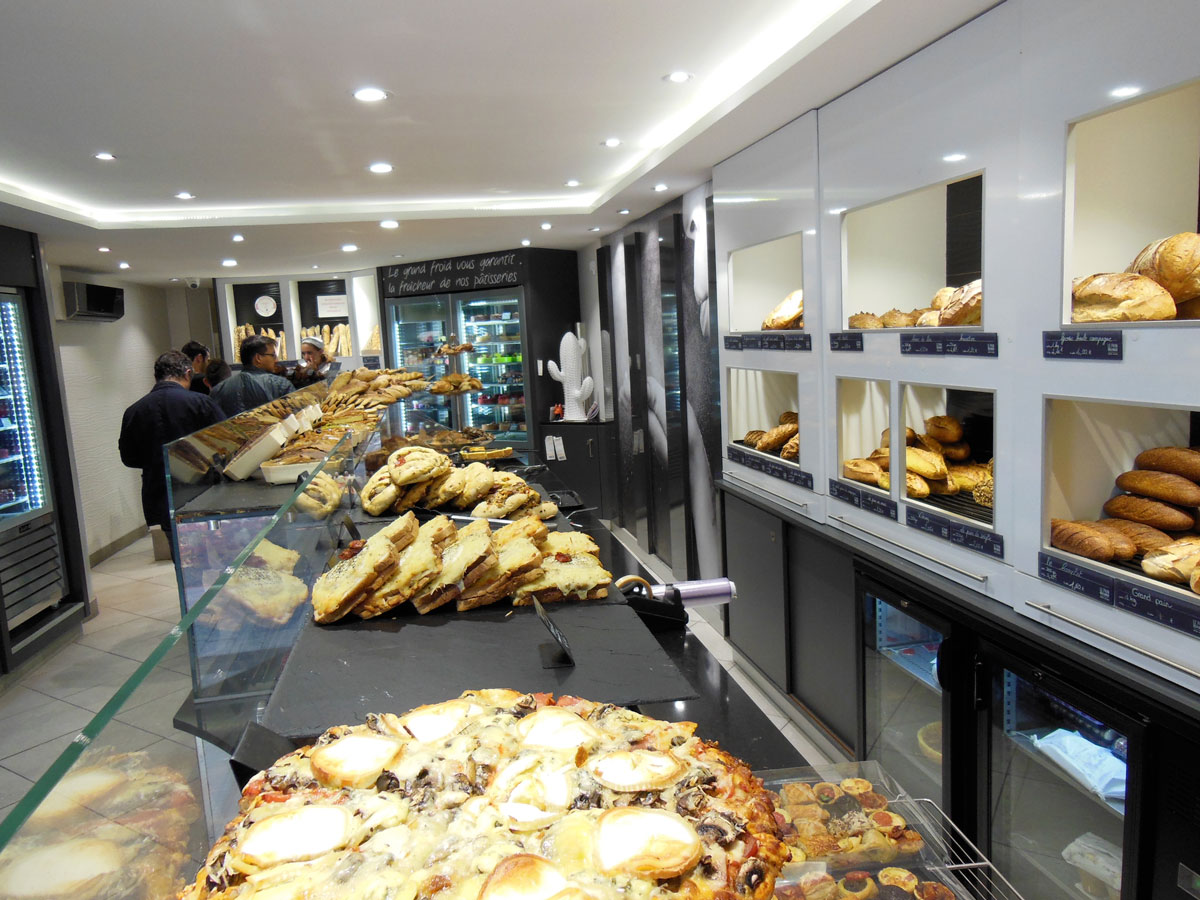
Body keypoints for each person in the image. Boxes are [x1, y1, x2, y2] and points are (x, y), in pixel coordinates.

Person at [119, 351, 224, 551]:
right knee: (214, 551)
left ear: (156, 376)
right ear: (188, 373)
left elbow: (129, 458)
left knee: (180, 554)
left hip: (159, 494)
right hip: (202, 490)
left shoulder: (134, 411)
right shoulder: (201, 403)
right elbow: (225, 444)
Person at [209, 335, 295, 417]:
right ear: (258, 358)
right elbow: (296, 415)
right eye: (273, 355)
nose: (276, 360)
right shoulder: (280, 385)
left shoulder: (218, 390)